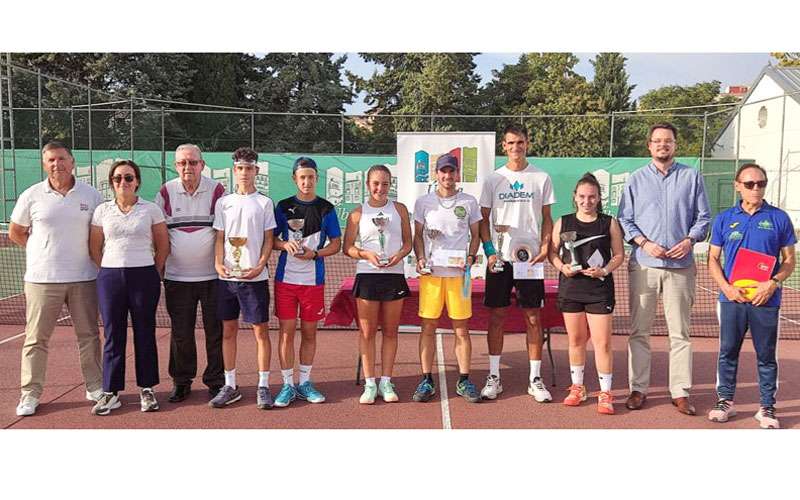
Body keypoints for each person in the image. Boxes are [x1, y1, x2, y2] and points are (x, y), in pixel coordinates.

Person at [617, 122, 711, 415]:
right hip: (644, 266)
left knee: (680, 333)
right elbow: (624, 220)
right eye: (657, 141)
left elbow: (704, 218)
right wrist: (644, 243)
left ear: (675, 145)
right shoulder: (635, 179)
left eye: (667, 141)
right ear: (649, 146)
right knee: (639, 332)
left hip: (680, 267)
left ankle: (680, 392)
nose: (662, 145)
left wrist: (689, 240)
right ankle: (638, 389)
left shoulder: (691, 177)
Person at [9, 141, 105, 416]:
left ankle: (95, 386)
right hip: (41, 280)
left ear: (72, 162)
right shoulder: (31, 195)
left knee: (88, 336)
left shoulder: (91, 195)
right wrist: (41, 250)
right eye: (51, 160)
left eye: (61, 159)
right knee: (36, 339)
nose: (56, 164)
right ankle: (30, 394)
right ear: (44, 164)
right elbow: (17, 231)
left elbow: (98, 233)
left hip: (84, 278)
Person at [707, 163, 796, 429]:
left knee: (766, 355)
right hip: (732, 299)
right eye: (749, 184)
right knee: (728, 351)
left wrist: (773, 283)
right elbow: (713, 258)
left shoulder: (779, 218)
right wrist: (726, 287)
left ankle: (767, 407)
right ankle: (725, 401)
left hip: (765, 300)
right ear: (737, 186)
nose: (756, 189)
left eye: (761, 183)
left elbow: (789, 260)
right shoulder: (723, 219)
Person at [478, 124, 554, 402]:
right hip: (500, 259)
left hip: (530, 259)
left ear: (527, 143)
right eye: (511, 143)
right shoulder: (493, 179)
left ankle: (535, 379)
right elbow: (483, 220)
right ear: (504, 147)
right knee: (496, 316)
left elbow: (547, 217)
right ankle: (494, 377)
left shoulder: (541, 178)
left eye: (520, 142)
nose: (516, 147)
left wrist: (545, 246)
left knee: (533, 317)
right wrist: (489, 251)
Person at [89, 160, 170, 415]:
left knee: (145, 332)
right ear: (111, 182)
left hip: (144, 276)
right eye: (117, 178)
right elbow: (94, 247)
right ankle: (111, 392)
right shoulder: (102, 210)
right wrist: (109, 269)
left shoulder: (151, 210)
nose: (123, 182)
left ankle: (147, 389)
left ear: (137, 181)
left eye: (128, 178)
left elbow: (163, 246)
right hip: (110, 278)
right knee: (113, 335)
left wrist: (151, 271)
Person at [155, 144, 227, 403]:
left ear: (202, 164)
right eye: (182, 163)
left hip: (214, 277)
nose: (188, 167)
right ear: (176, 166)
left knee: (215, 332)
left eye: (193, 162)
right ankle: (181, 381)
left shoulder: (218, 191)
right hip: (177, 278)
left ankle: (217, 382)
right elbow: (159, 234)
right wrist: (159, 269)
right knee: (181, 333)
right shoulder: (165, 192)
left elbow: (225, 233)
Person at [548, 173, 624, 414]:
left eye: (592, 197)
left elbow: (619, 255)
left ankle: (605, 393)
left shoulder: (608, 222)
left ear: (599, 198)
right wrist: (563, 268)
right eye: (582, 196)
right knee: (576, 340)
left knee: (602, 343)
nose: (587, 201)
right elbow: (552, 253)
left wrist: (604, 269)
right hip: (571, 289)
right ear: (575, 197)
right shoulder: (564, 222)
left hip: (599, 290)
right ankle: (578, 387)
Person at [208, 147, 276, 409]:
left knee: (261, 332)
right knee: (228, 331)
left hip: (255, 279)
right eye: (240, 168)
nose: (245, 173)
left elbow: (269, 240)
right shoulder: (223, 202)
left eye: (249, 168)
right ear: (234, 171)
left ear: (256, 170)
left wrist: (260, 264)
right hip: (227, 279)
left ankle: (262, 386)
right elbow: (219, 238)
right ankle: (230, 384)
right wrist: (217, 263)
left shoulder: (264, 203)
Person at [412, 153, 483, 403]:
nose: (447, 176)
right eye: (443, 171)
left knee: (461, 329)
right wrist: (420, 258)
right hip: (431, 275)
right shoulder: (423, 202)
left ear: (457, 174)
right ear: (436, 174)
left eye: (451, 171)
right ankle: (426, 380)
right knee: (427, 327)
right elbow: (418, 235)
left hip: (459, 275)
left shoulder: (469, 202)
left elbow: (476, 235)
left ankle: (464, 380)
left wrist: (472, 257)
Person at [272, 157, 342, 407]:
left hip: (314, 281)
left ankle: (305, 382)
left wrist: (315, 254)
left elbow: (336, 244)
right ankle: (287, 385)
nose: (306, 181)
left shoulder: (326, 208)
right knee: (286, 333)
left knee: (310, 333)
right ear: (294, 179)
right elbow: (271, 240)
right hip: (286, 281)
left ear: (316, 179)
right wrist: (284, 244)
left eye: (311, 177)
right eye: (302, 177)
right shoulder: (282, 207)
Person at [343, 165, 412, 404]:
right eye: (375, 183)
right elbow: (347, 247)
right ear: (367, 184)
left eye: (384, 183)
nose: (380, 188)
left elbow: (408, 243)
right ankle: (370, 383)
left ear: (390, 184)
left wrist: (399, 256)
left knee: (391, 331)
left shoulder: (400, 210)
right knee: (367, 332)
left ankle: (386, 381)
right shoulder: (357, 214)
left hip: (394, 275)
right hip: (367, 275)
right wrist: (365, 255)